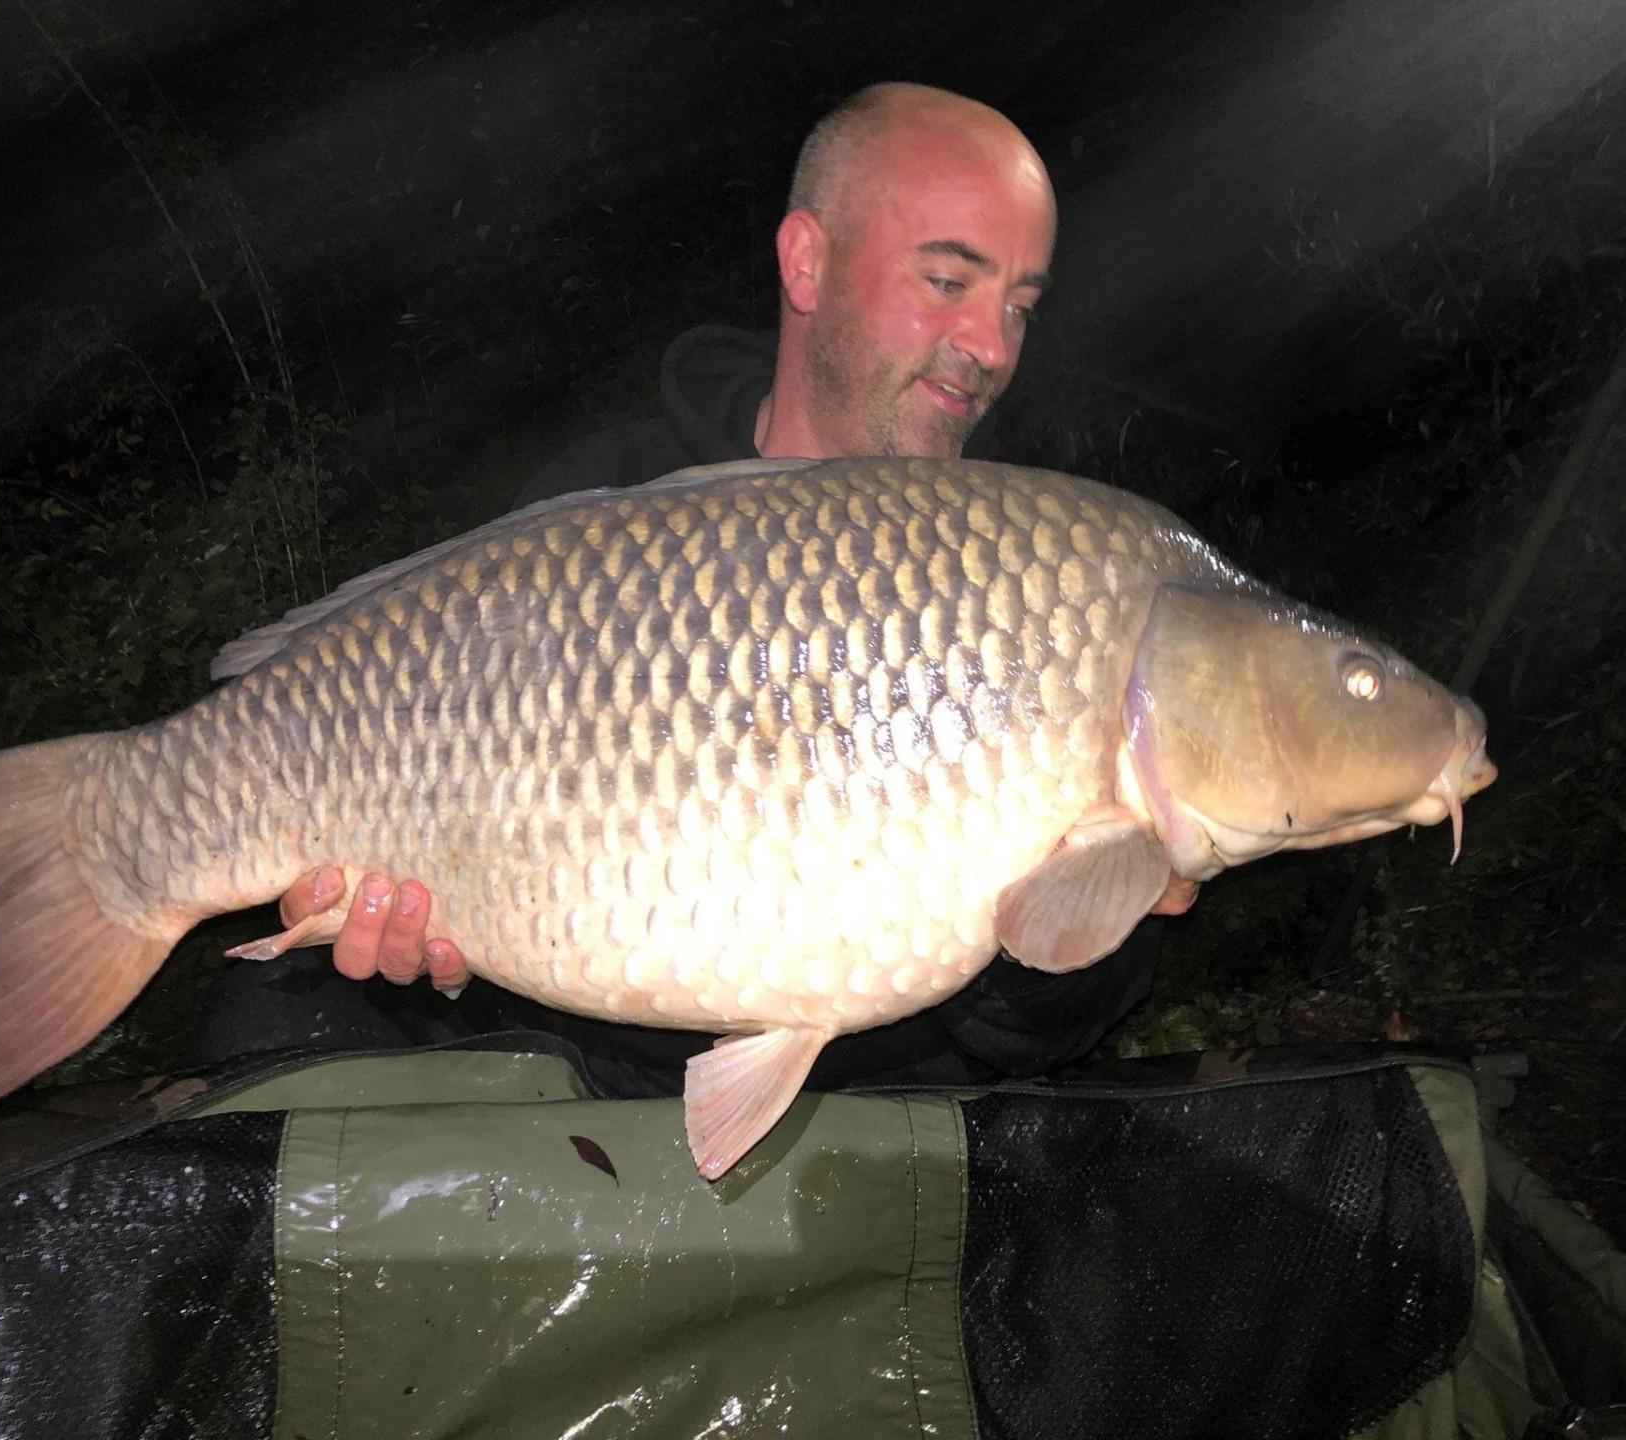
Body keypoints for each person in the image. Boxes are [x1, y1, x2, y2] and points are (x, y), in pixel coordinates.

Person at [193, 82, 1179, 1094]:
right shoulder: (599, 508)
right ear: (807, 260)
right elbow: (478, 896)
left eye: (1017, 306)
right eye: (947, 281)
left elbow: (1052, 1036)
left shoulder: (1030, 586)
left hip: (886, 1126)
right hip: (597, 1100)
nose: (989, 346)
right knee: (273, 1018)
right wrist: (431, 952)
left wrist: (1051, 922)